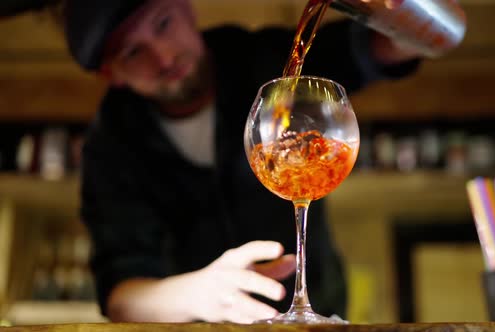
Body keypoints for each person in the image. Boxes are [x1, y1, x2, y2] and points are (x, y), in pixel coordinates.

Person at [63, 0, 422, 323]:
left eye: (162, 24)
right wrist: (196, 294)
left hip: (319, 319)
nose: (164, 57)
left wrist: (413, 14)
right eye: (133, 52)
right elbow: (120, 297)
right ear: (111, 74)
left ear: (186, 8)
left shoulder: (260, 57)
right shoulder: (110, 145)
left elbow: (378, 49)